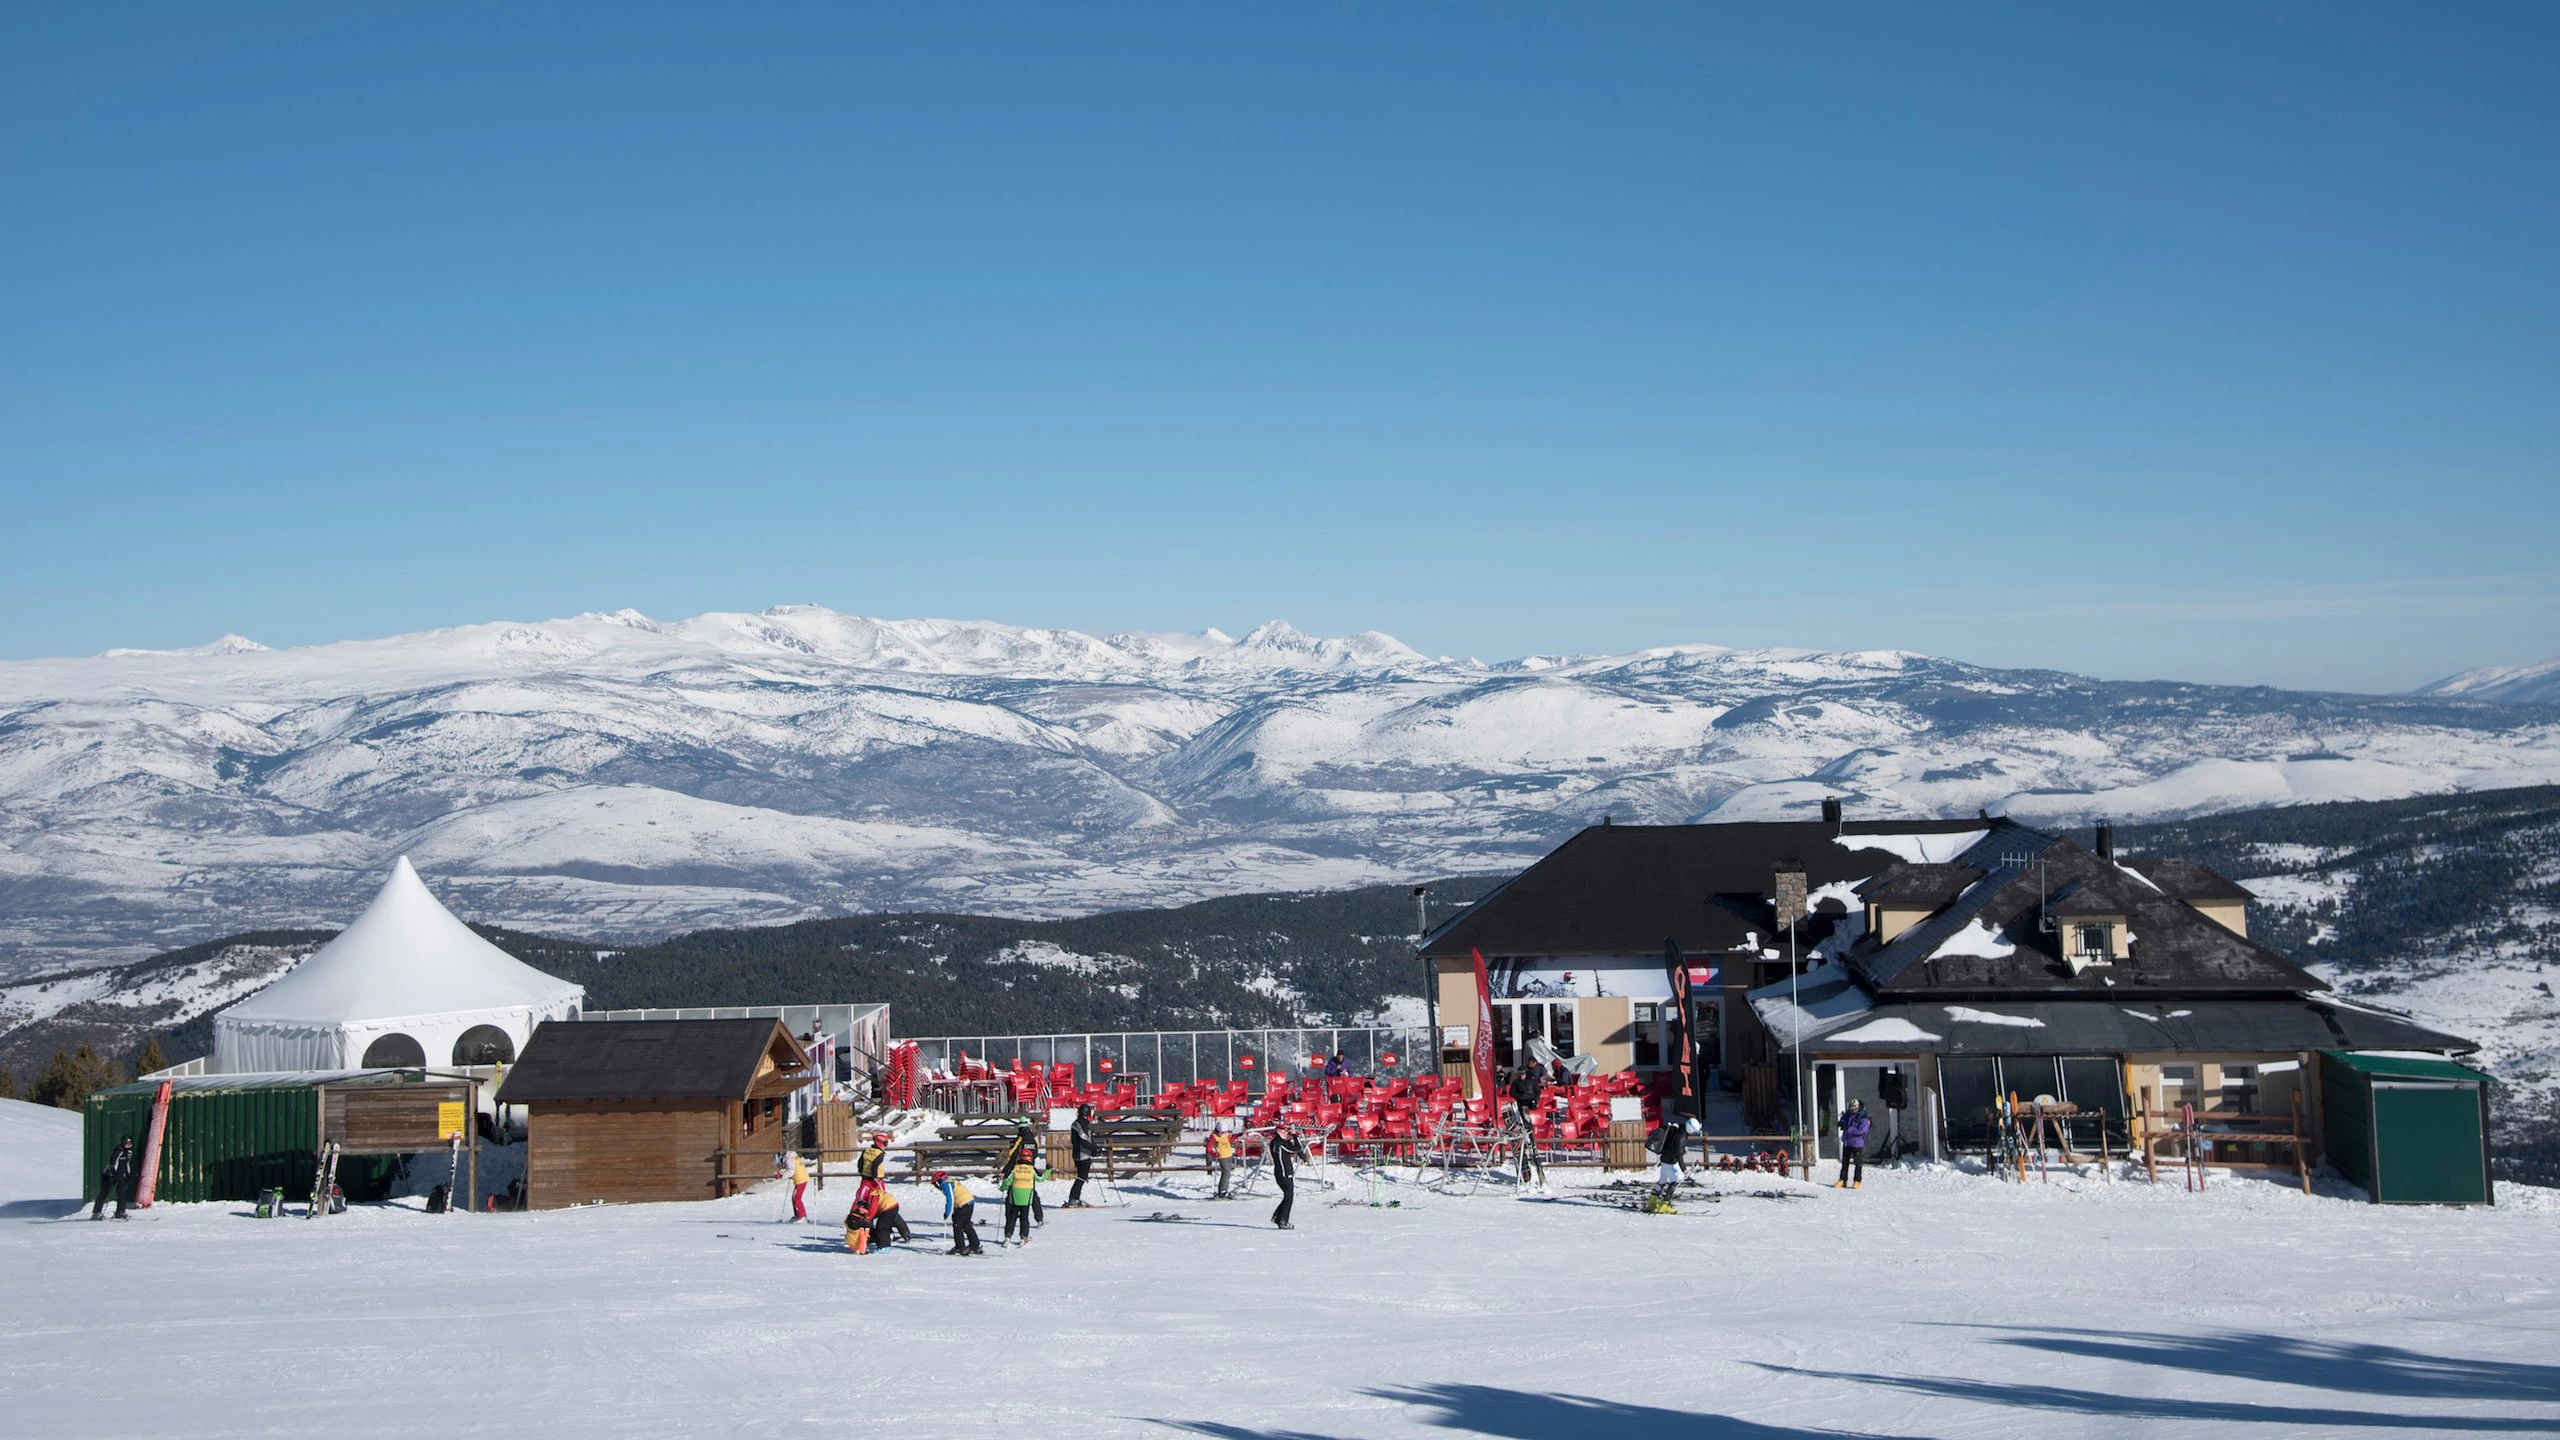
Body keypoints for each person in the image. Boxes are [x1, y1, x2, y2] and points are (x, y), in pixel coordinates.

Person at [1267, 1124, 1309, 1230]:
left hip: (1280, 1173)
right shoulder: (1280, 1143)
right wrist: (1295, 1136)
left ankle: (1278, 1216)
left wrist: (1291, 1138)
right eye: (1285, 1132)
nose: (1287, 1134)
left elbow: (1296, 1150)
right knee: (1289, 1197)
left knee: (1287, 1196)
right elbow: (1297, 1148)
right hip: (1284, 1173)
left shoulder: (1275, 1142)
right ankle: (1282, 1220)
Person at [931, 1170, 982, 1255]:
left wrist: (947, 1212)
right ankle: (975, 1245)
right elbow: (956, 1196)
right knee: (966, 1225)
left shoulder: (946, 1184)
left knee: (957, 1225)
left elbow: (950, 1199)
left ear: (939, 1180)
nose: (936, 1186)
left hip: (964, 1204)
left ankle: (960, 1247)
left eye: (935, 1183)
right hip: (968, 1202)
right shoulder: (950, 1181)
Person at [1001, 1144, 1038, 1246]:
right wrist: (1048, 1170)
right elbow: (1041, 1178)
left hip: (1015, 1198)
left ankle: (1008, 1236)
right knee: (1024, 1218)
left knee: (1011, 1217)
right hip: (1026, 1199)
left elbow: (1007, 1182)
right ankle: (1024, 1236)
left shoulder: (1015, 1169)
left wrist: (1002, 1188)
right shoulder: (1031, 1170)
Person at [91, 1136, 136, 1221]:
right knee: (104, 1193)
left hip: (120, 1175)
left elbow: (126, 1164)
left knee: (122, 1194)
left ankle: (120, 1212)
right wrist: (113, 1176)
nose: (129, 1145)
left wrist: (128, 1174)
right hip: (110, 1174)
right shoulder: (118, 1151)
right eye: (127, 1143)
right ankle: (96, 1212)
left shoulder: (129, 1152)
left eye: (130, 1143)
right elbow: (113, 1165)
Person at [1647, 1111, 1688, 1198]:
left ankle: (1652, 1201)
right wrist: (1684, 1169)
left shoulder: (1678, 1131)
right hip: (1669, 1162)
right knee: (1675, 1181)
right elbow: (1679, 1155)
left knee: (1662, 1181)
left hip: (1664, 1159)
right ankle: (1666, 1202)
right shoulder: (1681, 1137)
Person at [1066, 1105, 1100, 1208]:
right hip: (1082, 1154)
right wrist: (1092, 1148)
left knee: (1081, 1177)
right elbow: (1083, 1139)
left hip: (1080, 1153)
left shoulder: (1079, 1123)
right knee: (1082, 1177)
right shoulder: (1081, 1124)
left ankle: (1075, 1198)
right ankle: (1073, 1198)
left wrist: (1093, 1147)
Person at [1835, 1098, 1871, 1189]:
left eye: (1854, 1108)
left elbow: (1862, 1130)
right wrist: (1841, 1123)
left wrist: (1849, 1128)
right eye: (1851, 1107)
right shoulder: (1848, 1114)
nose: (1852, 1109)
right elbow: (1844, 1120)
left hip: (1857, 1143)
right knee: (1845, 1162)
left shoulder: (1863, 1117)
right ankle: (1842, 1180)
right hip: (1847, 1142)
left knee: (1857, 1162)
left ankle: (1857, 1180)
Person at [1207, 1125, 1238, 1200]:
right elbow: (1208, 1146)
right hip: (1222, 1156)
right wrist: (1214, 1153)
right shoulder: (1214, 1136)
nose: (1223, 1133)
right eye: (1221, 1132)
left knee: (1228, 1173)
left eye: (1224, 1132)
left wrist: (1237, 1136)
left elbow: (1229, 1140)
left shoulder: (1226, 1134)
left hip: (1229, 1155)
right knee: (1226, 1172)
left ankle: (1224, 1190)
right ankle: (1222, 1191)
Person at [787, 1150, 811, 1222]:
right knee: (794, 1197)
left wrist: (781, 1175)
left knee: (796, 1198)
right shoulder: (793, 1158)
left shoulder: (789, 1160)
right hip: (801, 1179)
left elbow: (791, 1172)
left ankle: (802, 1216)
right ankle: (798, 1215)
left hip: (801, 1180)